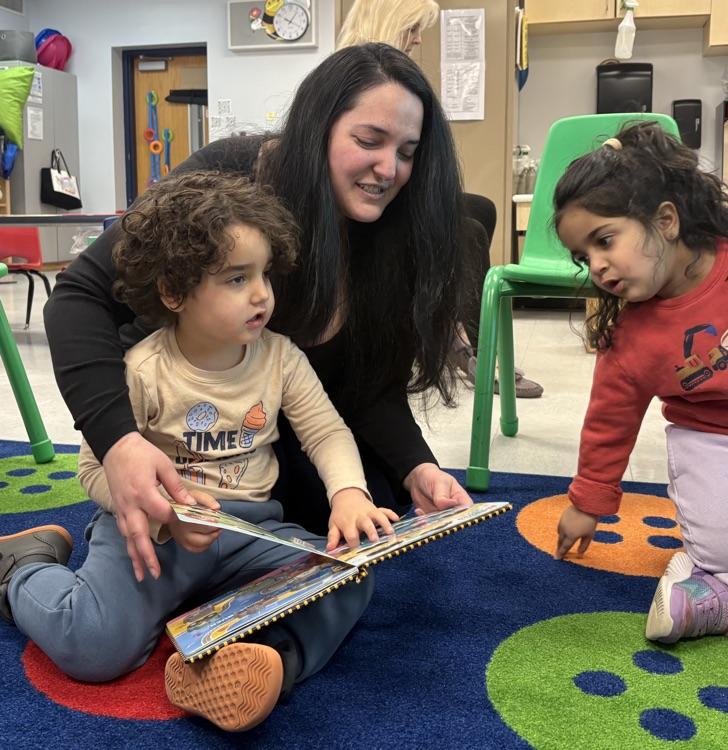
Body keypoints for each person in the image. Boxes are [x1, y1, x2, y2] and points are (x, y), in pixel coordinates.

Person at [42, 44, 473, 583]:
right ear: (317, 131)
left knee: (364, 516)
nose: (389, 168)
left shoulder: (389, 229)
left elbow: (367, 382)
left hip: (273, 425)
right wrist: (121, 444)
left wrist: (418, 468)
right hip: (183, 430)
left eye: (408, 151)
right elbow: (79, 295)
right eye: (368, 140)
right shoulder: (227, 182)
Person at [0, 170, 400, 732]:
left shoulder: (281, 358)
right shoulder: (142, 368)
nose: (262, 294)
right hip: (155, 539)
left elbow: (327, 432)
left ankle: (255, 665)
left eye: (264, 274)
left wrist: (349, 494)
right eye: (237, 279)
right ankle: (21, 570)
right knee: (93, 647)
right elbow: (95, 469)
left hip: (250, 534)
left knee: (347, 578)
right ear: (174, 292)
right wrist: (166, 515)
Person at [552, 121, 728, 644]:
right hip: (711, 440)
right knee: (725, 547)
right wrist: (587, 503)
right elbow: (609, 420)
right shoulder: (630, 336)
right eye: (583, 256)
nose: (596, 265)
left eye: (605, 240)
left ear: (665, 220)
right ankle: (718, 584)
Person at [337, 0, 544, 399]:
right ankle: (470, 351)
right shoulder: (351, 73)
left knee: (482, 207)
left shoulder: (399, 78)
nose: (417, 38)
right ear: (388, 20)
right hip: (361, 204)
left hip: (393, 195)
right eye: (412, 27)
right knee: (466, 230)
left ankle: (459, 329)